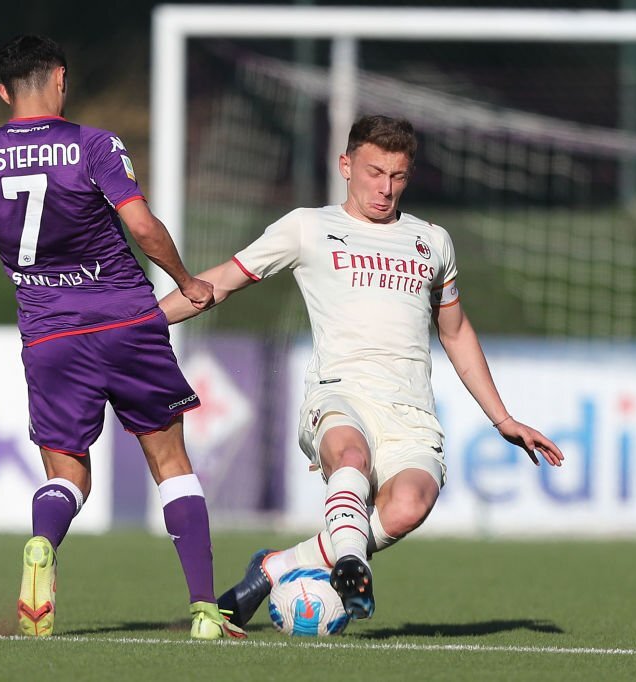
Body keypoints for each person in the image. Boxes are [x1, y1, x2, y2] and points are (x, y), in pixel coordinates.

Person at [0, 35, 242, 640]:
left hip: (50, 335)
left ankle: (43, 543)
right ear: (60, 79)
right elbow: (139, 223)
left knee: (66, 476)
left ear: (2, 91)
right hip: (126, 322)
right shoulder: (94, 144)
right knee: (170, 463)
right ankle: (202, 611)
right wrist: (186, 281)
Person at [159, 114, 565, 629]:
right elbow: (218, 281)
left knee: (409, 506)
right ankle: (350, 562)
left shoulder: (432, 242)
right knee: (350, 453)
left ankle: (273, 568)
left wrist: (503, 418)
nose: (385, 188)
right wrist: (142, 321)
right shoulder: (307, 227)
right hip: (339, 392)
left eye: (397, 177)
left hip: (411, 412)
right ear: (346, 165)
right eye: (375, 173)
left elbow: (456, 331)